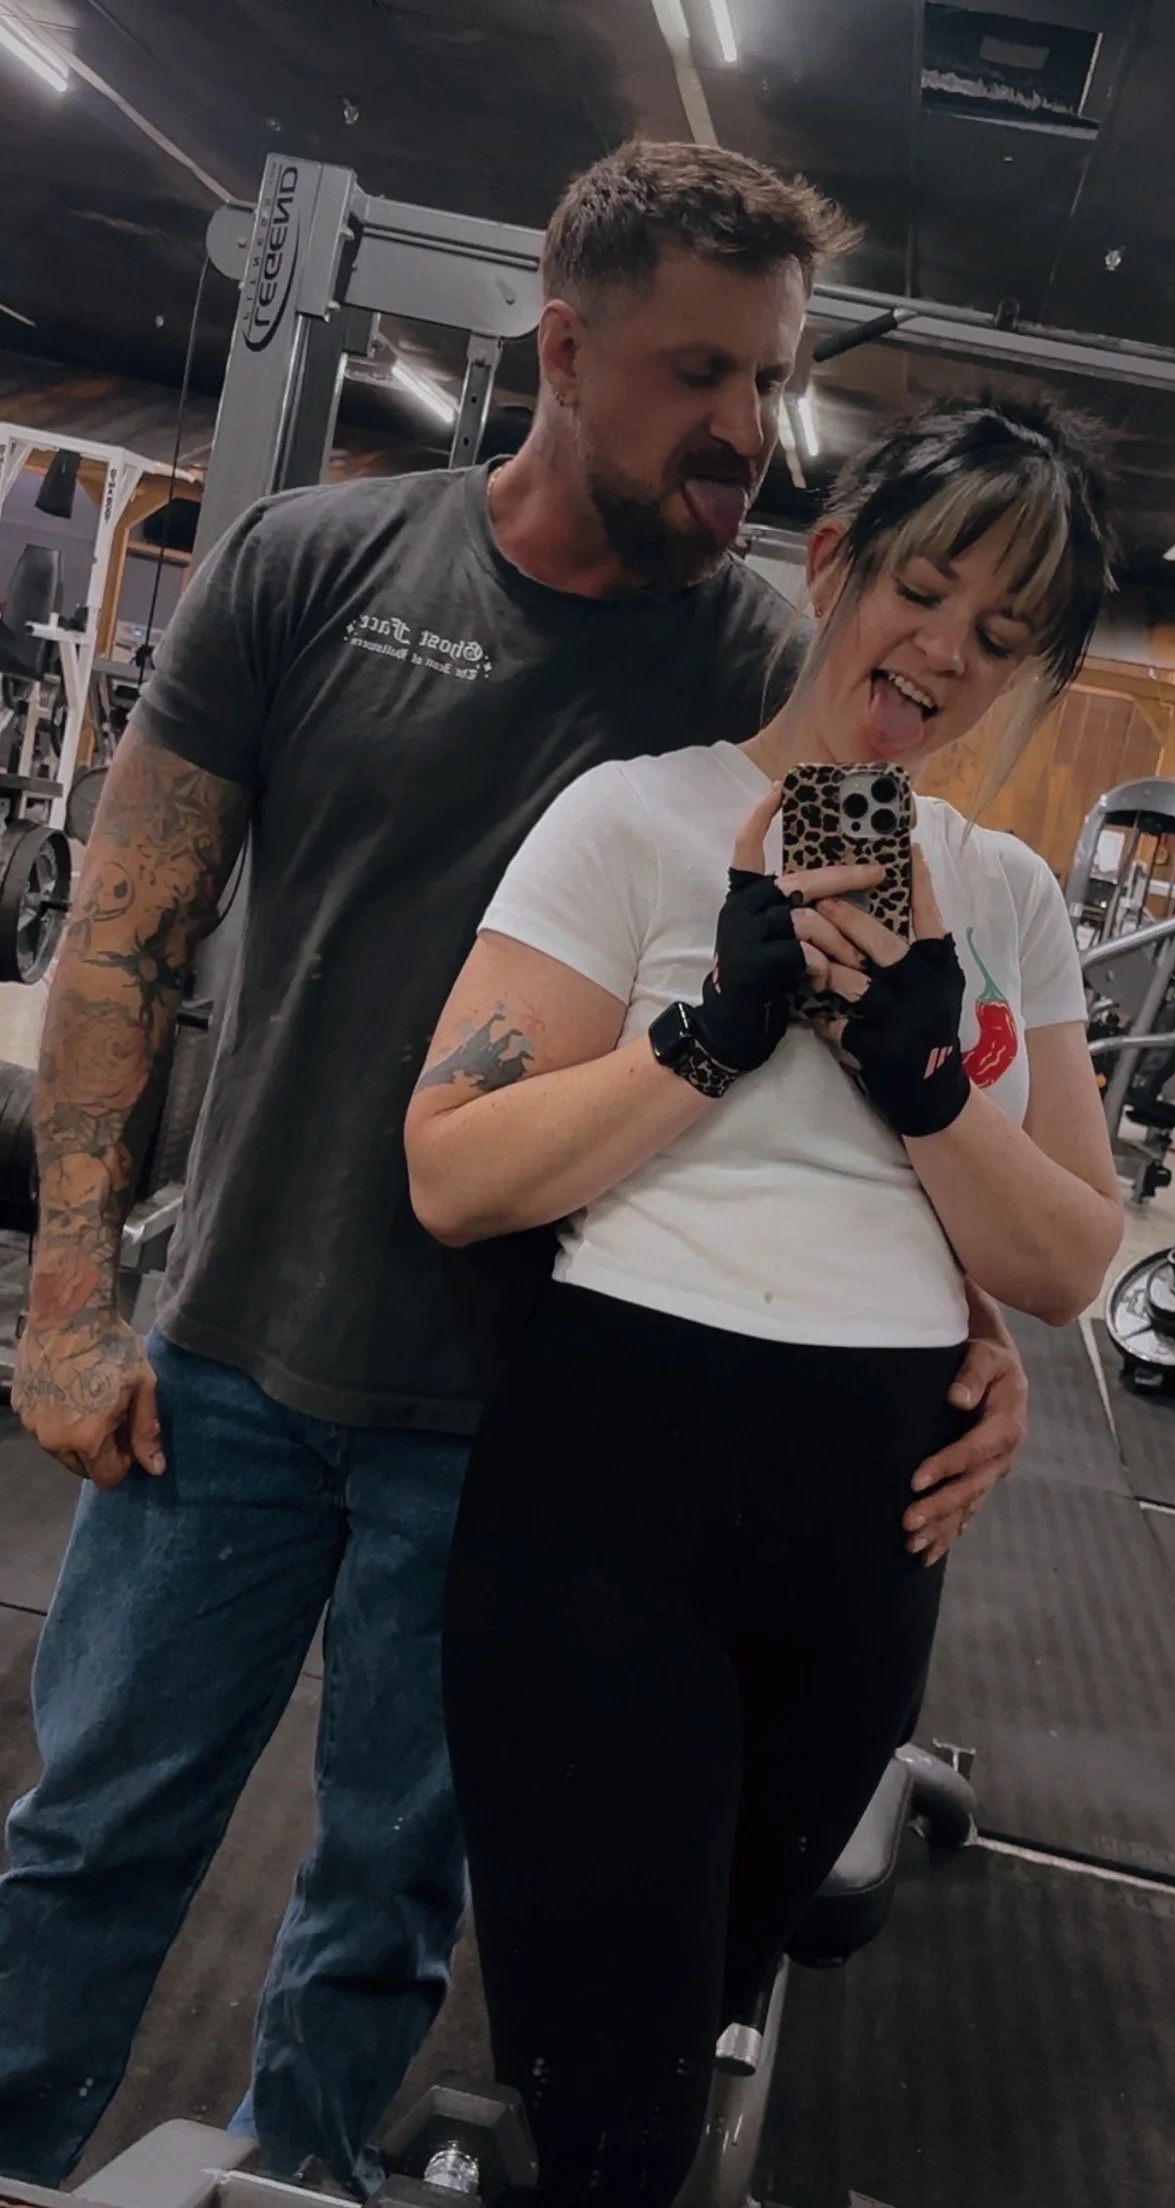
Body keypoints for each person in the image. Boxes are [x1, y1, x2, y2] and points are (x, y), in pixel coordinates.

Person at [0, 145, 1025, 2194]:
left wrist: (969, 1316)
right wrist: (68, 1286)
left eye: (773, 382)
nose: (747, 428)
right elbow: (127, 936)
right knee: (92, 1839)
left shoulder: (763, 672)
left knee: (386, 1902)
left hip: (530, 1423)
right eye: (698, 373)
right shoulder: (316, 566)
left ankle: (301, 2179)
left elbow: (867, 1023)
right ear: (564, 352)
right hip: (232, 1359)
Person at [405, 393, 1125, 2208]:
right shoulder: (632, 822)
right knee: (605, 2098)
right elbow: (452, 1171)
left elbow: (1066, 1260)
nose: (942, 656)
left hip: (865, 1536)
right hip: (612, 1500)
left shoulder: (1010, 898)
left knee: (700, 2009)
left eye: (999, 638)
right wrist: (708, 1036)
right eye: (924, 592)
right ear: (834, 564)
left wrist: (925, 1082)